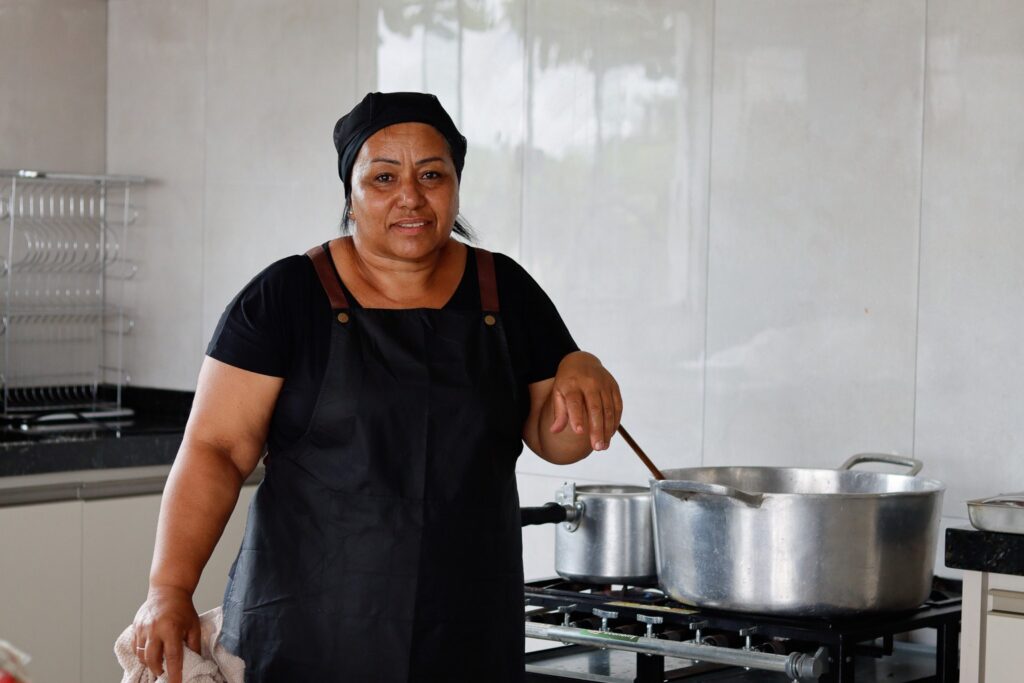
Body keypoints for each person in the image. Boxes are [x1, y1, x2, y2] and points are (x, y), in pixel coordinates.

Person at [130, 91, 623, 683]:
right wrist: (169, 587)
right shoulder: (286, 297)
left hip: (465, 628)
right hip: (305, 631)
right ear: (351, 193)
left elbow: (558, 442)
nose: (410, 196)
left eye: (431, 175)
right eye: (383, 177)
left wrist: (579, 370)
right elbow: (216, 450)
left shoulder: (504, 291)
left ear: (455, 185)